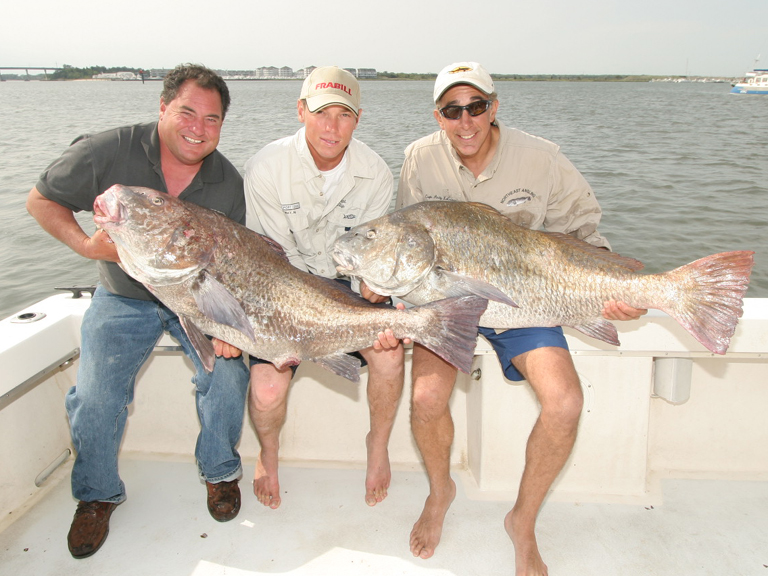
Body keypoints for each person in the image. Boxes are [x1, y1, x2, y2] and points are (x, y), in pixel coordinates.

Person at [396, 62, 647, 575]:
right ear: (438, 116)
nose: (465, 121)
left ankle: (523, 521)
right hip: (448, 302)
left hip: (526, 297)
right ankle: (441, 491)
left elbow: (582, 230)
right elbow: (406, 236)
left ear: (494, 106)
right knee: (424, 397)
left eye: (476, 107)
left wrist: (609, 287)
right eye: (452, 110)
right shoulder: (418, 159)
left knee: (566, 402)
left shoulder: (542, 157)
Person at [25, 64, 250, 559]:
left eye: (212, 119)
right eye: (187, 112)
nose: (198, 127)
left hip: (195, 296)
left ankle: (220, 473)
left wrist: (230, 326)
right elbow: (41, 200)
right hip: (125, 294)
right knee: (96, 395)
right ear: (163, 107)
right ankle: (97, 494)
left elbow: (231, 269)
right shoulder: (107, 150)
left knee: (230, 374)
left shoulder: (228, 182)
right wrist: (86, 247)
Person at [243, 66, 405, 509]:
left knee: (390, 357)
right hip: (281, 290)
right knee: (266, 390)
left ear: (358, 119)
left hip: (343, 290)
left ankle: (377, 445)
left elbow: (369, 256)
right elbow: (268, 262)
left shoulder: (376, 173)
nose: (332, 127)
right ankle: (269, 455)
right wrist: (307, 318)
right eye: (321, 113)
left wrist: (372, 283)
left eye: (344, 115)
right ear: (301, 111)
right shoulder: (265, 168)